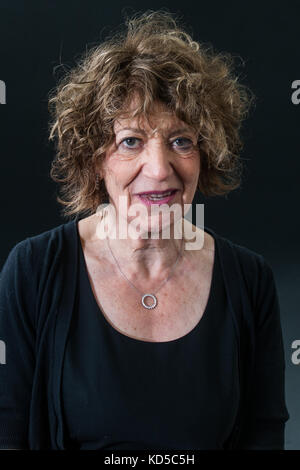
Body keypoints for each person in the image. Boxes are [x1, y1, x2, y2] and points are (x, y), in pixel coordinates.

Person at [0, 10, 289, 450]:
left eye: (181, 141)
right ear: (95, 158)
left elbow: (264, 436)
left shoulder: (250, 281)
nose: (159, 169)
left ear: (205, 153)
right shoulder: (32, 271)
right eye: (130, 141)